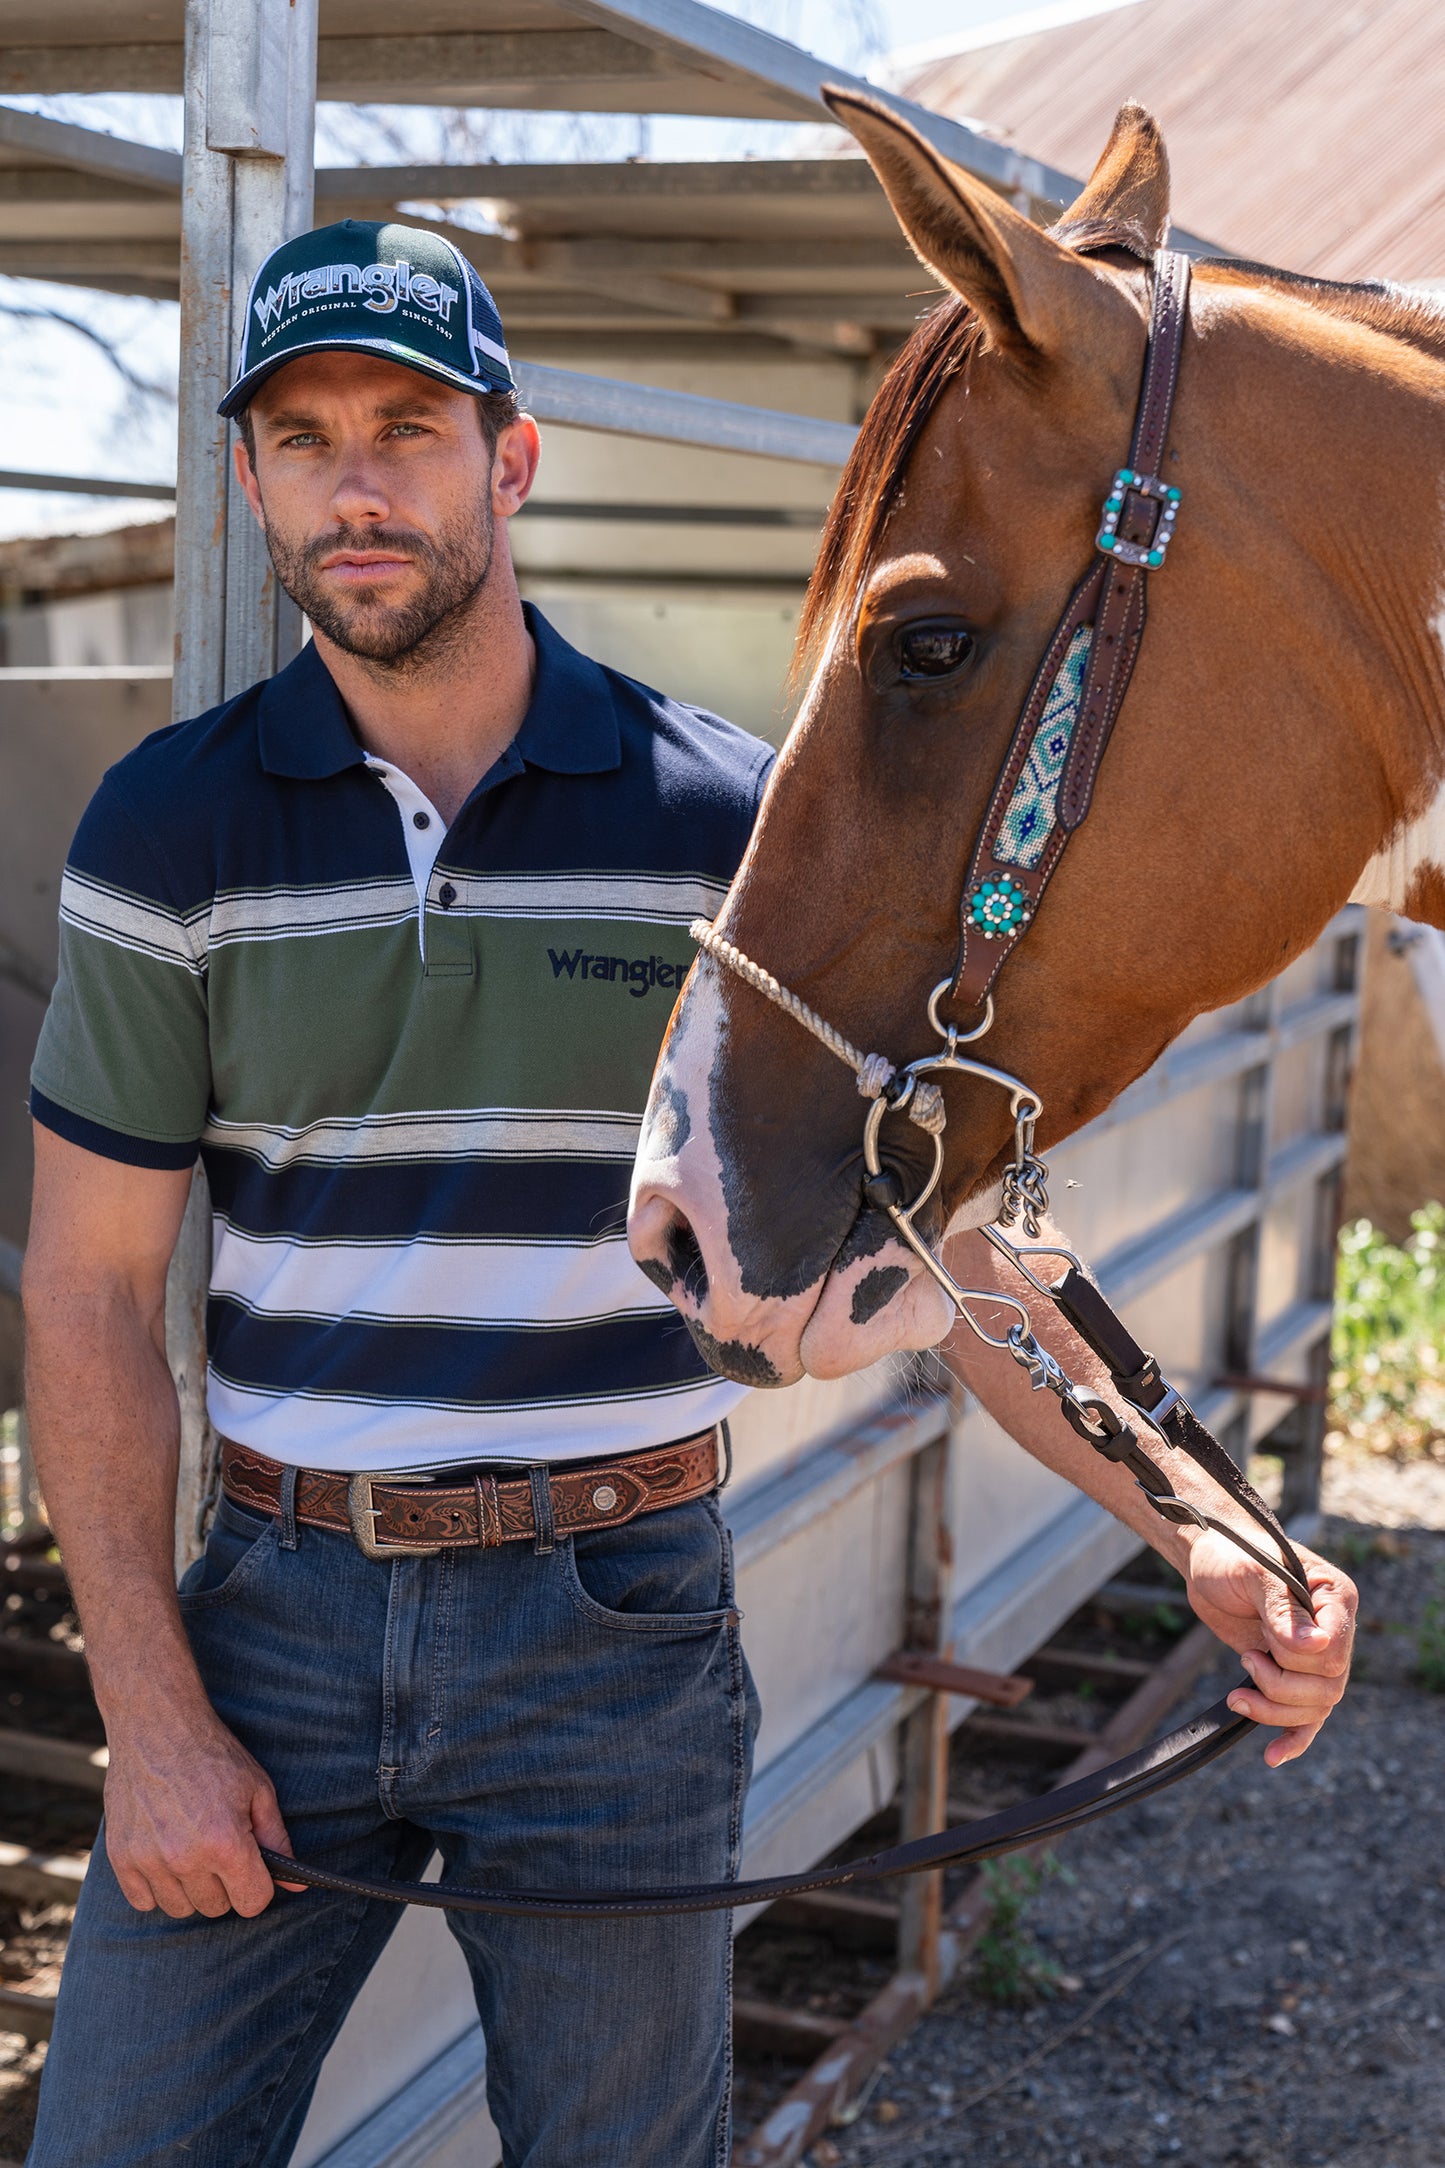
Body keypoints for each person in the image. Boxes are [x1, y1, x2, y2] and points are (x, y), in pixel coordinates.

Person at [22, 220, 770, 2168]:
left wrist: (1185, 1518)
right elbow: (90, 1292)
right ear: (252, 475)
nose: (356, 484)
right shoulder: (167, 828)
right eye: (303, 435)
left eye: (408, 428)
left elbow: (939, 1222)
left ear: (510, 462)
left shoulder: (726, 825)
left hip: (615, 1625)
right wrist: (151, 1716)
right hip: (275, 1613)